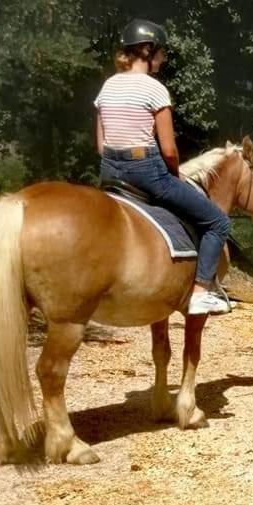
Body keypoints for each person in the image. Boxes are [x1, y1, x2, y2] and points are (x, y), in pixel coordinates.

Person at [95, 18, 232, 316]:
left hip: (109, 172)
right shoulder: (154, 89)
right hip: (145, 171)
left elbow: (100, 144)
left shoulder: (107, 87)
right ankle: (200, 293)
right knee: (218, 222)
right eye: (161, 52)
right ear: (147, 50)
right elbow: (169, 150)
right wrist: (174, 176)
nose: (164, 58)